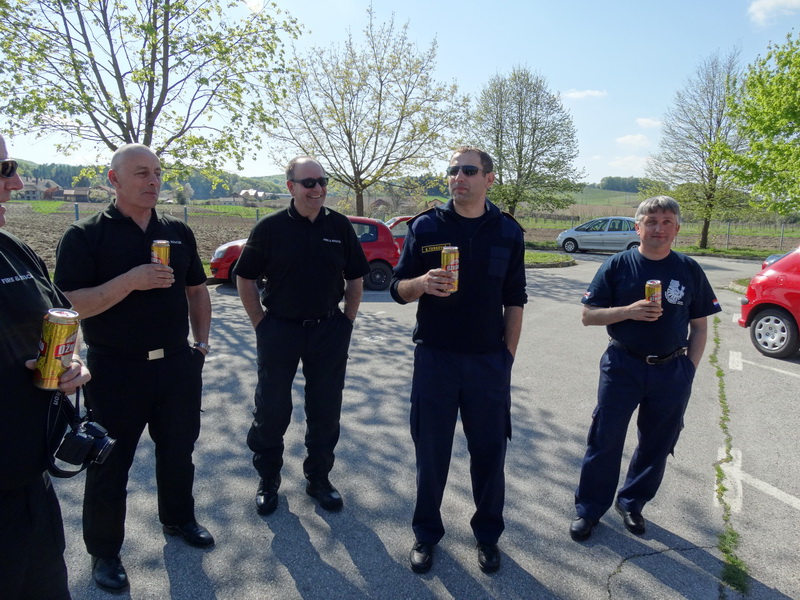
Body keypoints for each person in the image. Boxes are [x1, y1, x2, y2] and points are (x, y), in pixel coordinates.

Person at [54, 144, 213, 592]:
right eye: (142, 173)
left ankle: (178, 518)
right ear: (114, 179)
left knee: (178, 450)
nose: (153, 181)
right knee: (110, 462)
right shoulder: (85, 235)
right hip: (116, 369)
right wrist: (130, 281)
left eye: (158, 173)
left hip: (176, 365)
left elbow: (197, 291)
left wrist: (200, 347)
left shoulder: (177, 231)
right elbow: (69, 305)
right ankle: (104, 551)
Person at [390, 146, 527, 574]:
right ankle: (426, 533)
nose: (458, 177)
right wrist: (420, 284)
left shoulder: (508, 231)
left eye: (468, 170)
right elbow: (396, 288)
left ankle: (487, 536)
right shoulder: (426, 226)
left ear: (489, 179)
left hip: (488, 362)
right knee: (431, 453)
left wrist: (507, 358)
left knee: (489, 453)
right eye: (452, 171)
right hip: (436, 359)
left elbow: (515, 298)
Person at [569, 195, 721, 542]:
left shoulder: (689, 269)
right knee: (605, 439)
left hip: (672, 369)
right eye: (651, 222)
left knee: (657, 443)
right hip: (623, 365)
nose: (658, 229)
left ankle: (632, 502)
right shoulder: (618, 265)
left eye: (667, 222)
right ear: (638, 228)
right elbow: (588, 316)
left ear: (677, 229)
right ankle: (589, 509)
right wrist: (629, 311)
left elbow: (699, 327)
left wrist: (689, 370)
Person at [234, 156, 369, 516]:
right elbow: (244, 277)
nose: (318, 188)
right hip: (280, 329)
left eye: (323, 181)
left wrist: (347, 321)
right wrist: (260, 322)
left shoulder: (339, 226)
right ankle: (268, 479)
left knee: (325, 409)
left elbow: (355, 277)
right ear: (290, 186)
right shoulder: (270, 228)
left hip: (328, 330)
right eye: (309, 182)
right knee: (272, 408)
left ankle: (319, 479)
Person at [0, 133, 92, 600]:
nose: (16, 183)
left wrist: (70, 362)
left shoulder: (11, 247)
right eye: (4, 170)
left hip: (30, 486)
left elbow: (58, 317)